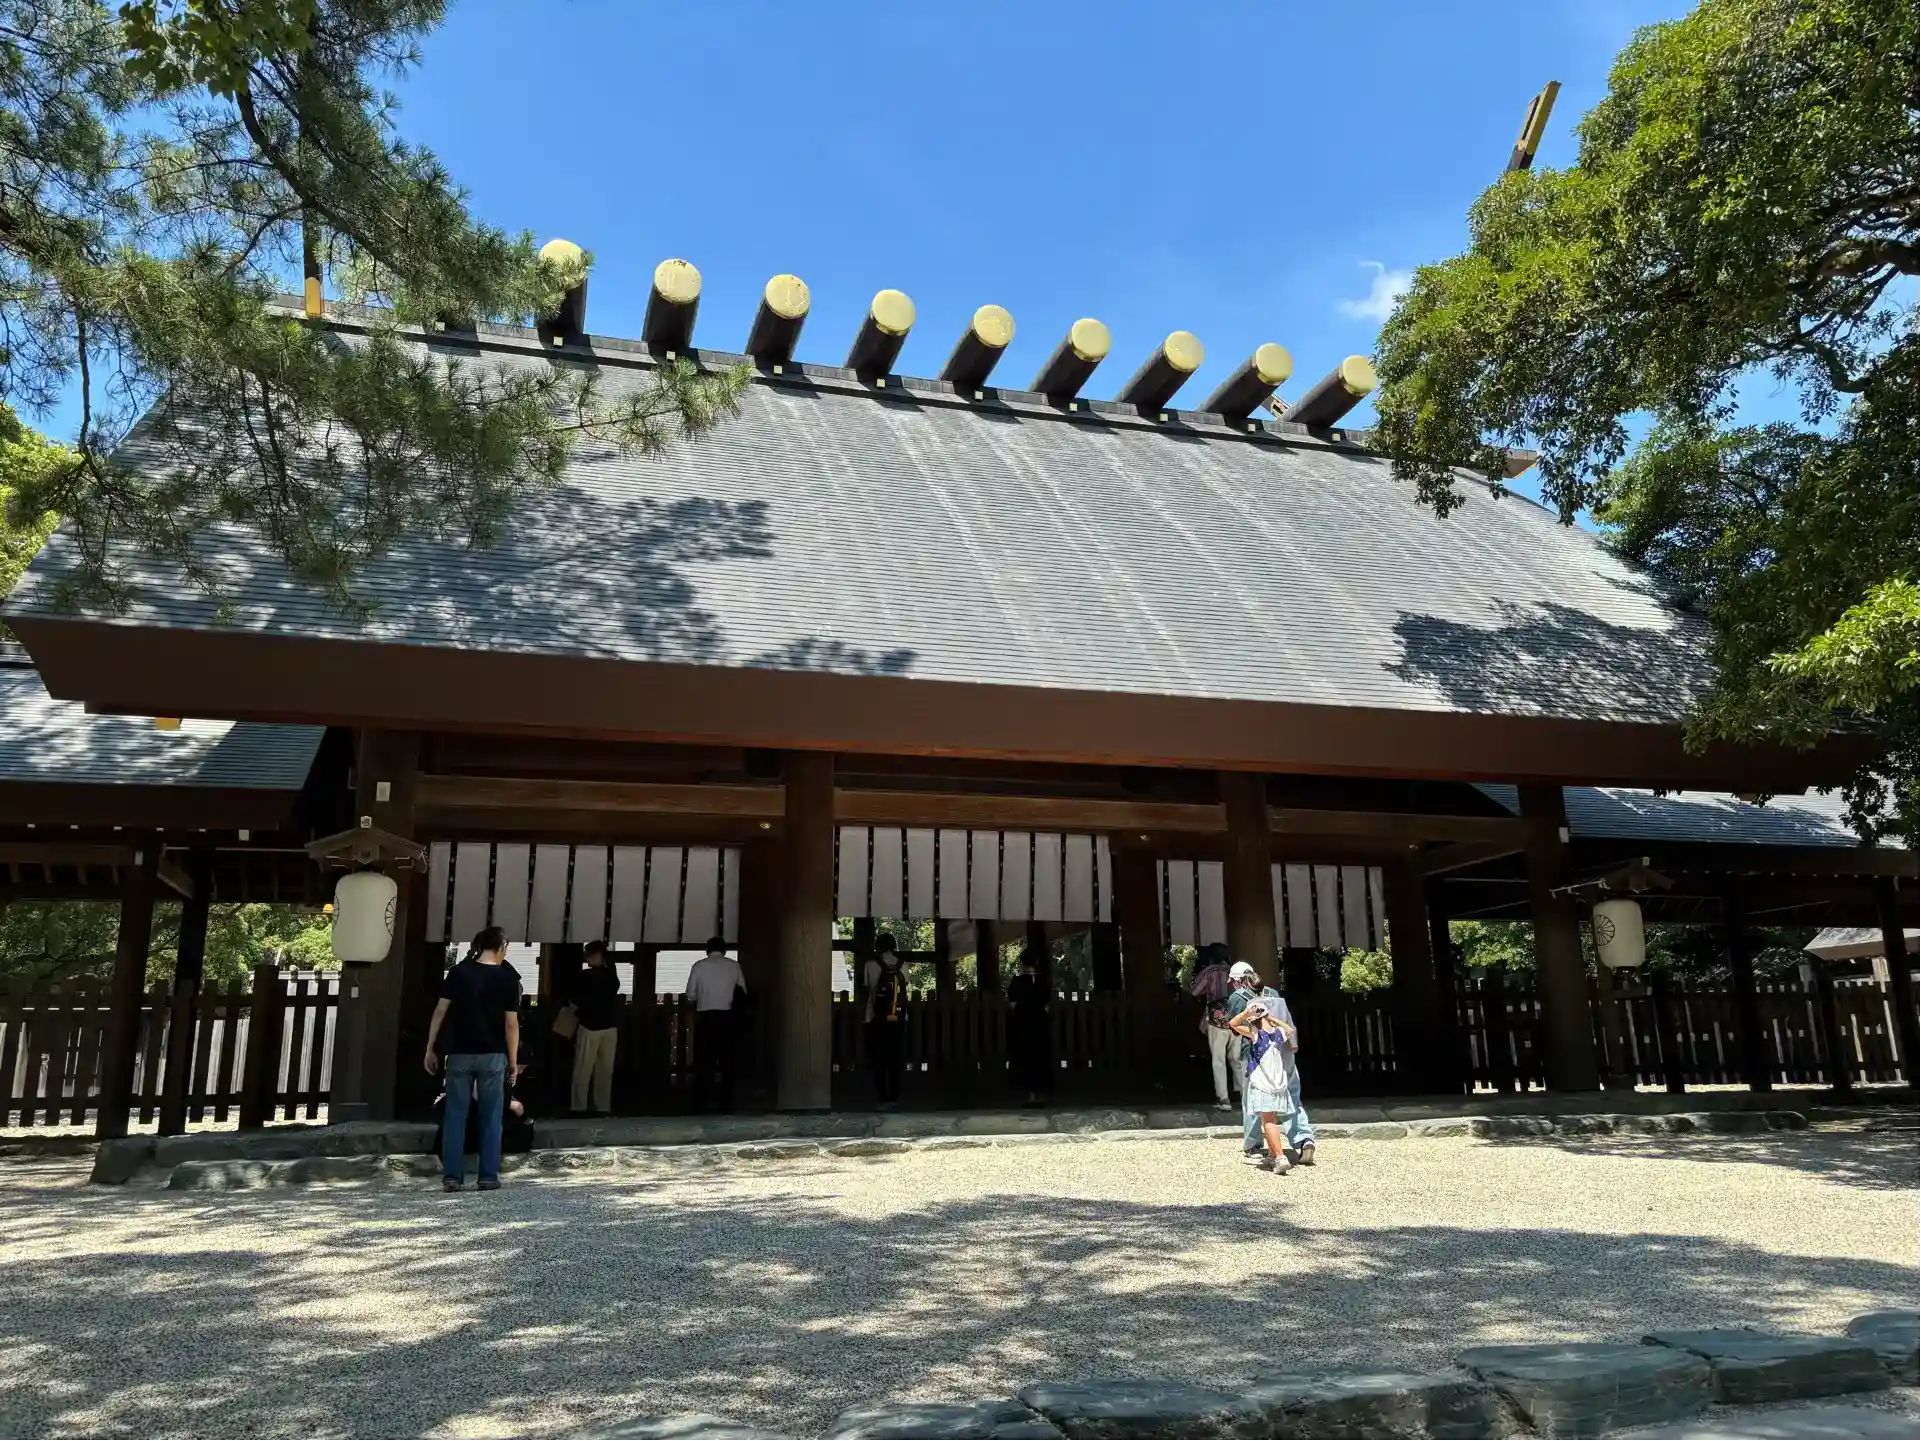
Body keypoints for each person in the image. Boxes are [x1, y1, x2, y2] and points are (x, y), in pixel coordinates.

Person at [424, 926, 522, 1193]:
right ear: (501, 947)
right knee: (491, 1117)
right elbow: (511, 1024)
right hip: (493, 1054)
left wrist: (431, 1047)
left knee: (456, 1115)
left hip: (459, 1053)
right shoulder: (507, 978)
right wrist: (513, 1060)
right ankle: (487, 1176)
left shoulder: (459, 972)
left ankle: (452, 1177)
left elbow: (440, 1011)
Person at [1226, 961, 1318, 1167]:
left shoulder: (1237, 997)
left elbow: (1234, 1027)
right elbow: (1288, 1026)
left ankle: (1253, 1145)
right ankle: (1304, 1139)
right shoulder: (1273, 993)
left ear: (1238, 980)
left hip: (1258, 1056)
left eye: (1232, 981)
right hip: (1283, 1051)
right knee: (1292, 1097)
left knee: (1255, 1101)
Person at [1227, 995, 1299, 1175]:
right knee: (1271, 1118)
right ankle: (1272, 1155)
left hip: (1262, 1082)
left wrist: (1245, 1013)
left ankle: (1280, 1157)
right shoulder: (1278, 1033)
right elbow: (1290, 1030)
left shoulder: (1255, 1033)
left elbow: (1233, 1024)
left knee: (1268, 1121)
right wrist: (1272, 1019)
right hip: (1278, 1081)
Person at [685, 936, 747, 1112]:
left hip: (706, 1017)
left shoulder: (699, 966)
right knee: (728, 1061)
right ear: (724, 950)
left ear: (707, 950)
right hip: (728, 1017)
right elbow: (743, 991)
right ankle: (726, 1104)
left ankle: (701, 1103)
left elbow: (690, 995)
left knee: (704, 1061)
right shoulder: (734, 966)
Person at [569, 939, 621, 1117]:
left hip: (589, 1025)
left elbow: (575, 999)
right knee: (605, 1069)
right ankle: (602, 1106)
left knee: (583, 1068)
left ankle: (578, 1106)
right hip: (609, 1025)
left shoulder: (584, 977)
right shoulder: (611, 976)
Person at [1188, 941, 1239, 1111]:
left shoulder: (1209, 972)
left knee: (1219, 1060)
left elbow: (1194, 991)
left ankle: (1223, 1099)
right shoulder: (1235, 971)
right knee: (1237, 1059)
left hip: (1216, 1019)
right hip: (1238, 1019)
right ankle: (1244, 1094)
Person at [864, 933, 909, 1109]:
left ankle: (882, 1099)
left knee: (879, 1059)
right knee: (896, 1059)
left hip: (876, 1018)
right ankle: (894, 1098)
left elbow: (868, 989)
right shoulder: (903, 965)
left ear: (878, 947)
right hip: (899, 1019)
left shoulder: (870, 965)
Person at [1006, 947, 1053, 1106]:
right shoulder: (1044, 982)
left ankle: (1029, 1095)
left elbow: (1012, 1004)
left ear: (1022, 964)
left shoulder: (1017, 982)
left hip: (1023, 1024)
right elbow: (1047, 1005)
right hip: (1041, 1024)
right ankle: (1042, 1093)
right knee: (1041, 1058)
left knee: (1025, 1059)